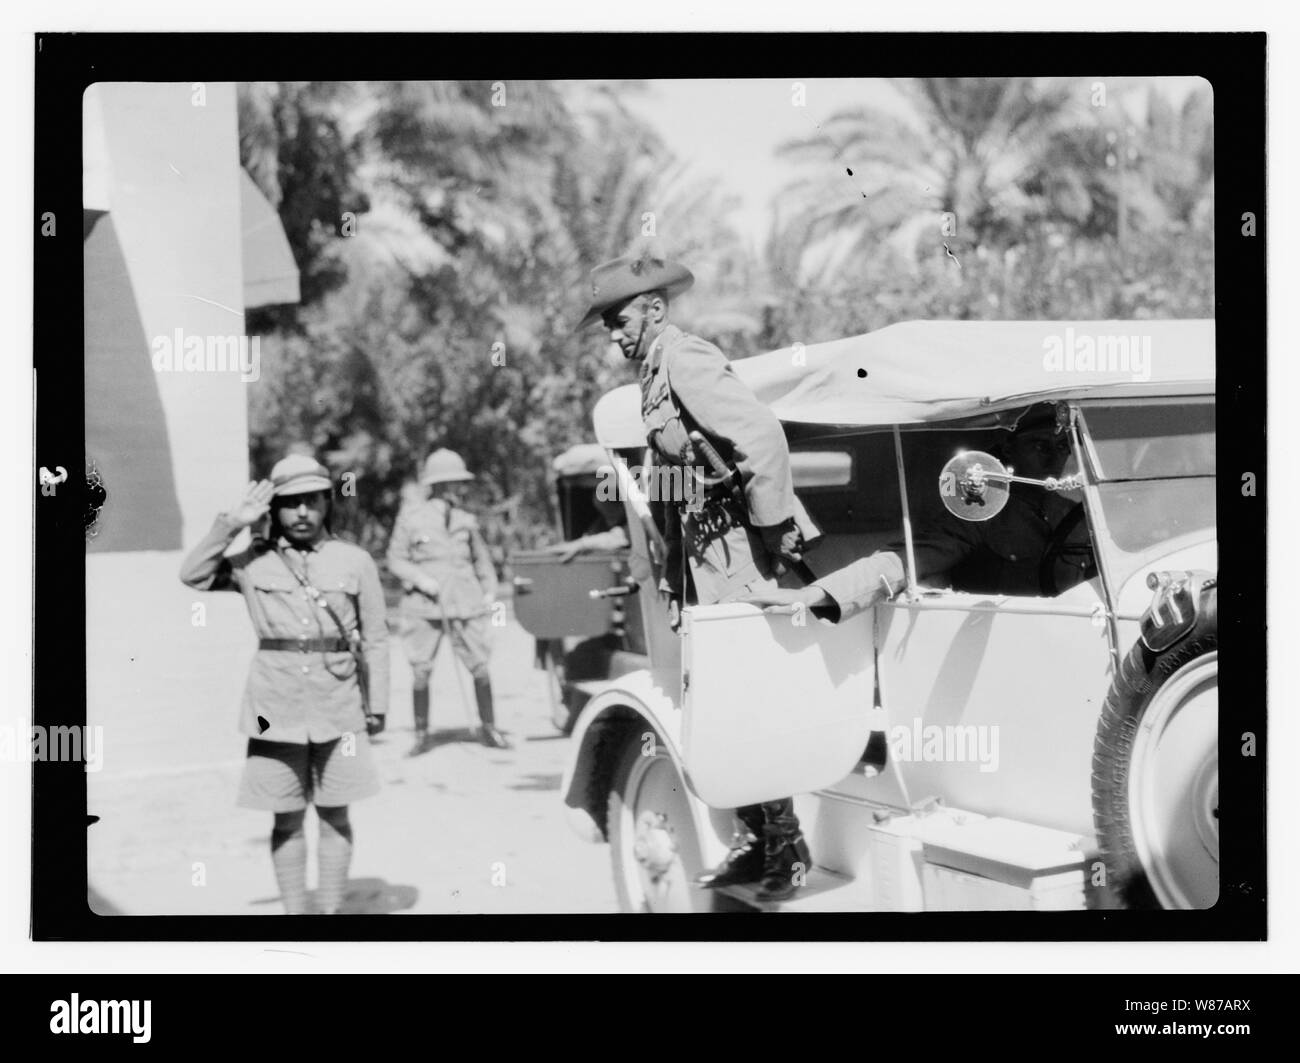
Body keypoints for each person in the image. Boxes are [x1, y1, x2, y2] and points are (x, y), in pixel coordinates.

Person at [577, 239, 811, 903]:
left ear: (653, 308)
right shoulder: (652, 376)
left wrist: (771, 537)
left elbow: (761, 439)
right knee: (724, 702)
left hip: (739, 554)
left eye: (619, 319)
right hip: (705, 558)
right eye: (607, 323)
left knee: (751, 699)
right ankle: (757, 838)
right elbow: (679, 488)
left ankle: (788, 844)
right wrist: (681, 582)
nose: (612, 333)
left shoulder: (684, 358)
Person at [179, 454, 389, 915]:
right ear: (274, 509)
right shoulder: (253, 563)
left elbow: (375, 638)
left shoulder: (354, 560)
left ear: (325, 504)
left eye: (311, 502)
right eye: (289, 504)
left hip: (340, 705)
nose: (301, 513)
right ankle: (296, 916)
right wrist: (231, 523)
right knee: (287, 818)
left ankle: (330, 913)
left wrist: (378, 706)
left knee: (336, 814)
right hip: (275, 708)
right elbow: (192, 574)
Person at [741, 403, 1094, 621]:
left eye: (1063, 445)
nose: (1054, 457)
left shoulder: (1084, 512)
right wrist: (814, 594)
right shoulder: (977, 515)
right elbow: (903, 561)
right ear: (1008, 452)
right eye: (1039, 445)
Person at [387, 448, 509, 753]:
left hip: (465, 605)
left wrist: (490, 592)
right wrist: (420, 579)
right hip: (424, 607)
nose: (456, 487)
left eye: (458, 482)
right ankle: (421, 733)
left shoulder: (466, 520)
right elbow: (395, 559)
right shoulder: (412, 518)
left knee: (480, 667)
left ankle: (489, 728)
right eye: (451, 482)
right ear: (436, 485)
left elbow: (482, 562)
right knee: (421, 672)